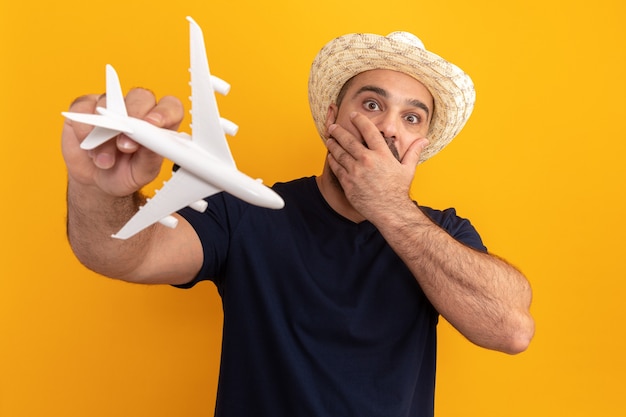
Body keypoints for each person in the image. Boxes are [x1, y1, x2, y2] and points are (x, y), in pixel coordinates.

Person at [62, 30, 534, 417]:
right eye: (372, 105)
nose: (389, 127)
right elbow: (120, 253)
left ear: (421, 144)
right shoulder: (246, 213)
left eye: (412, 117)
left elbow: (511, 329)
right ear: (332, 118)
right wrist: (99, 188)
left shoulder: (443, 235)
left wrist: (391, 209)